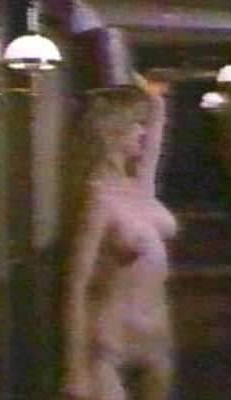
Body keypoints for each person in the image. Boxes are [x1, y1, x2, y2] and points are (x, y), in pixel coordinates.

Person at [61, 79, 177, 400]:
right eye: (135, 124)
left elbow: (155, 140)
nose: (143, 132)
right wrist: (75, 367)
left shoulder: (139, 187)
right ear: (112, 132)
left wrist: (154, 98)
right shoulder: (98, 198)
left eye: (144, 124)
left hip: (156, 338)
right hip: (111, 341)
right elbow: (77, 285)